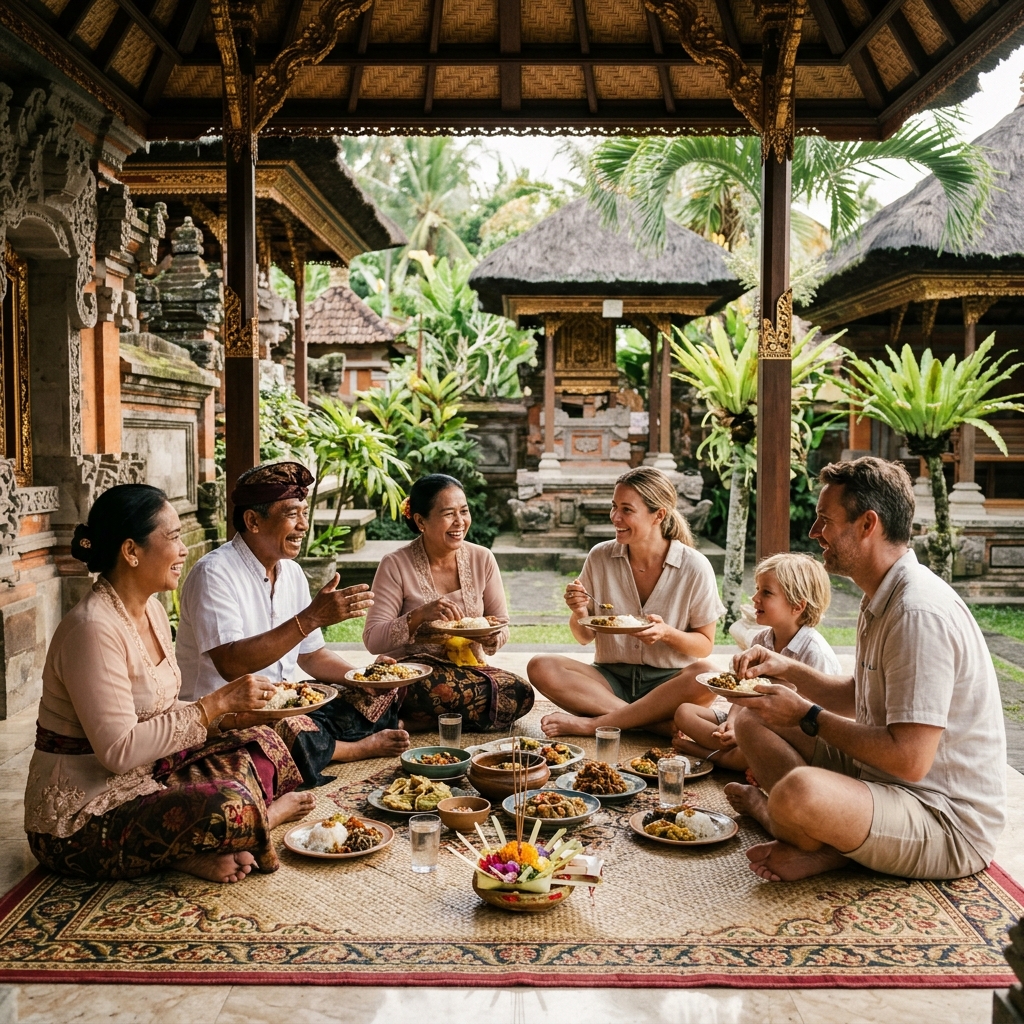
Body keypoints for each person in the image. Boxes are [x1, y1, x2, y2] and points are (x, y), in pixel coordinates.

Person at [725, 457, 1006, 882]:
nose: (814, 532)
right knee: (751, 717)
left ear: (867, 524)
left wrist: (805, 715)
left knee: (798, 794)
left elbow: (909, 760)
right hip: (883, 783)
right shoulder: (881, 594)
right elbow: (860, 697)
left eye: (824, 520)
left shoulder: (916, 612)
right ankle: (827, 842)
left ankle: (788, 824)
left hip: (943, 817)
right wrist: (787, 669)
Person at [24, 484, 316, 884]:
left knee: (261, 744)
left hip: (149, 776)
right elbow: (119, 750)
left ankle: (199, 845)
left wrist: (228, 718)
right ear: (131, 551)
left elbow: (161, 711)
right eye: (174, 537)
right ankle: (257, 819)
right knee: (226, 802)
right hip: (83, 818)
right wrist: (211, 707)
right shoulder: (92, 629)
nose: (183, 550)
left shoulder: (155, 612)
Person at [176, 462, 409, 787]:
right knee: (294, 731)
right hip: (227, 718)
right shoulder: (213, 574)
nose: (303, 525)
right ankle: (353, 750)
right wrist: (311, 617)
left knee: (376, 699)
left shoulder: (292, 572)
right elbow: (231, 664)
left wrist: (363, 678)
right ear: (253, 520)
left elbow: (312, 656)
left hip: (286, 705)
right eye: (291, 514)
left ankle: (323, 745)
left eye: (304, 512)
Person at [528, 466, 725, 738]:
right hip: (610, 682)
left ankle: (593, 724)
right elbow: (584, 636)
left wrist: (666, 633)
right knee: (541, 665)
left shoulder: (694, 567)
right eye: (614, 507)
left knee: (708, 674)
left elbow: (704, 645)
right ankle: (651, 725)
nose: (615, 517)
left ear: (659, 515)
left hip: (668, 685)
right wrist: (579, 610)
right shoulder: (600, 557)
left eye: (626, 510)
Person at [362, 474, 533, 731]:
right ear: (420, 520)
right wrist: (418, 615)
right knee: (431, 688)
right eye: (448, 514)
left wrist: (492, 637)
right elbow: (373, 640)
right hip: (414, 675)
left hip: (469, 671)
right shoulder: (395, 564)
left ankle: (416, 722)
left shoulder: (482, 558)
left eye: (463, 511)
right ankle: (447, 718)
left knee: (520, 692)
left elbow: (502, 622)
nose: (460, 522)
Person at [673, 552, 841, 772]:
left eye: (766, 592)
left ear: (797, 606)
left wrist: (747, 728)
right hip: (749, 718)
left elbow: (817, 720)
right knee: (684, 712)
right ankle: (732, 751)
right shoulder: (760, 640)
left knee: (755, 744)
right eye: (757, 589)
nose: (754, 598)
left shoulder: (814, 653)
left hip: (789, 733)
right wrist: (732, 722)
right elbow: (743, 693)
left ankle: (714, 756)